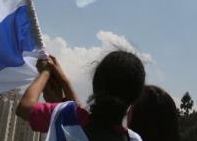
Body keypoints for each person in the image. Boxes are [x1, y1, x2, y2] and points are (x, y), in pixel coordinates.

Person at [16, 51, 145, 141]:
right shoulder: (133, 139)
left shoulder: (64, 115)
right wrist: (65, 83)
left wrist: (45, 72)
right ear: (135, 99)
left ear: (95, 84)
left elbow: (25, 108)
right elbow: (78, 116)